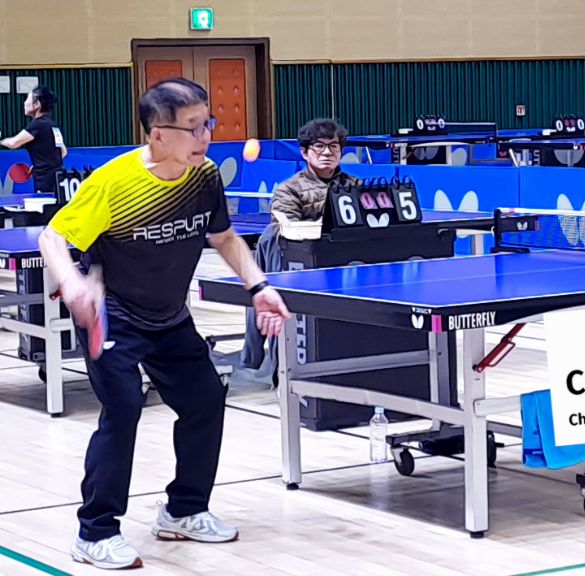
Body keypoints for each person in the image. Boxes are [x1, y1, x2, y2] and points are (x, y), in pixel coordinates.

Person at [37, 77, 291, 570]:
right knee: (123, 409)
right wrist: (71, 282)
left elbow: (224, 237)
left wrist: (258, 287)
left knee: (205, 400)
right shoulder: (113, 183)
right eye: (194, 128)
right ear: (158, 134)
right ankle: (95, 531)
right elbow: (53, 236)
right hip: (114, 315)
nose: (206, 137)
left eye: (208, 124)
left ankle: (184, 510)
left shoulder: (204, 175)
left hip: (169, 315)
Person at [240, 118, 356, 375]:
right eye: (319, 146)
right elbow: (287, 229)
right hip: (297, 264)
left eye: (333, 146)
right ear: (304, 152)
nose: (327, 152)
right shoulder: (289, 189)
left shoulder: (354, 186)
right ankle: (278, 370)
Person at [0, 85, 67, 193]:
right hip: (59, 179)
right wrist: (41, 164)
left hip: (45, 183)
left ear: (37, 104)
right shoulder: (53, 125)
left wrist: (1, 141)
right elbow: (63, 152)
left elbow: (13, 143)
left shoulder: (37, 124)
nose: (24, 103)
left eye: (27, 99)